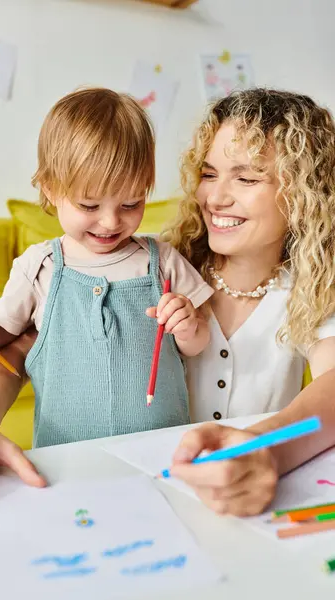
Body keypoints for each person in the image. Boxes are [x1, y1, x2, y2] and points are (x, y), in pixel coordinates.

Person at [0, 87, 212, 450]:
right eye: (89, 205)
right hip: (64, 453)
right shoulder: (40, 266)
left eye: (131, 203)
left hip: (162, 448)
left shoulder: (161, 260)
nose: (111, 222)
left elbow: (199, 343)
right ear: (51, 190)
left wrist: (189, 326)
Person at [161, 88, 335, 515]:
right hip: (157, 491)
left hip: (251, 506)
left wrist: (265, 449)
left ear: (301, 193)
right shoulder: (163, 270)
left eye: (247, 177)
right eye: (208, 173)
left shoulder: (312, 287)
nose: (216, 198)